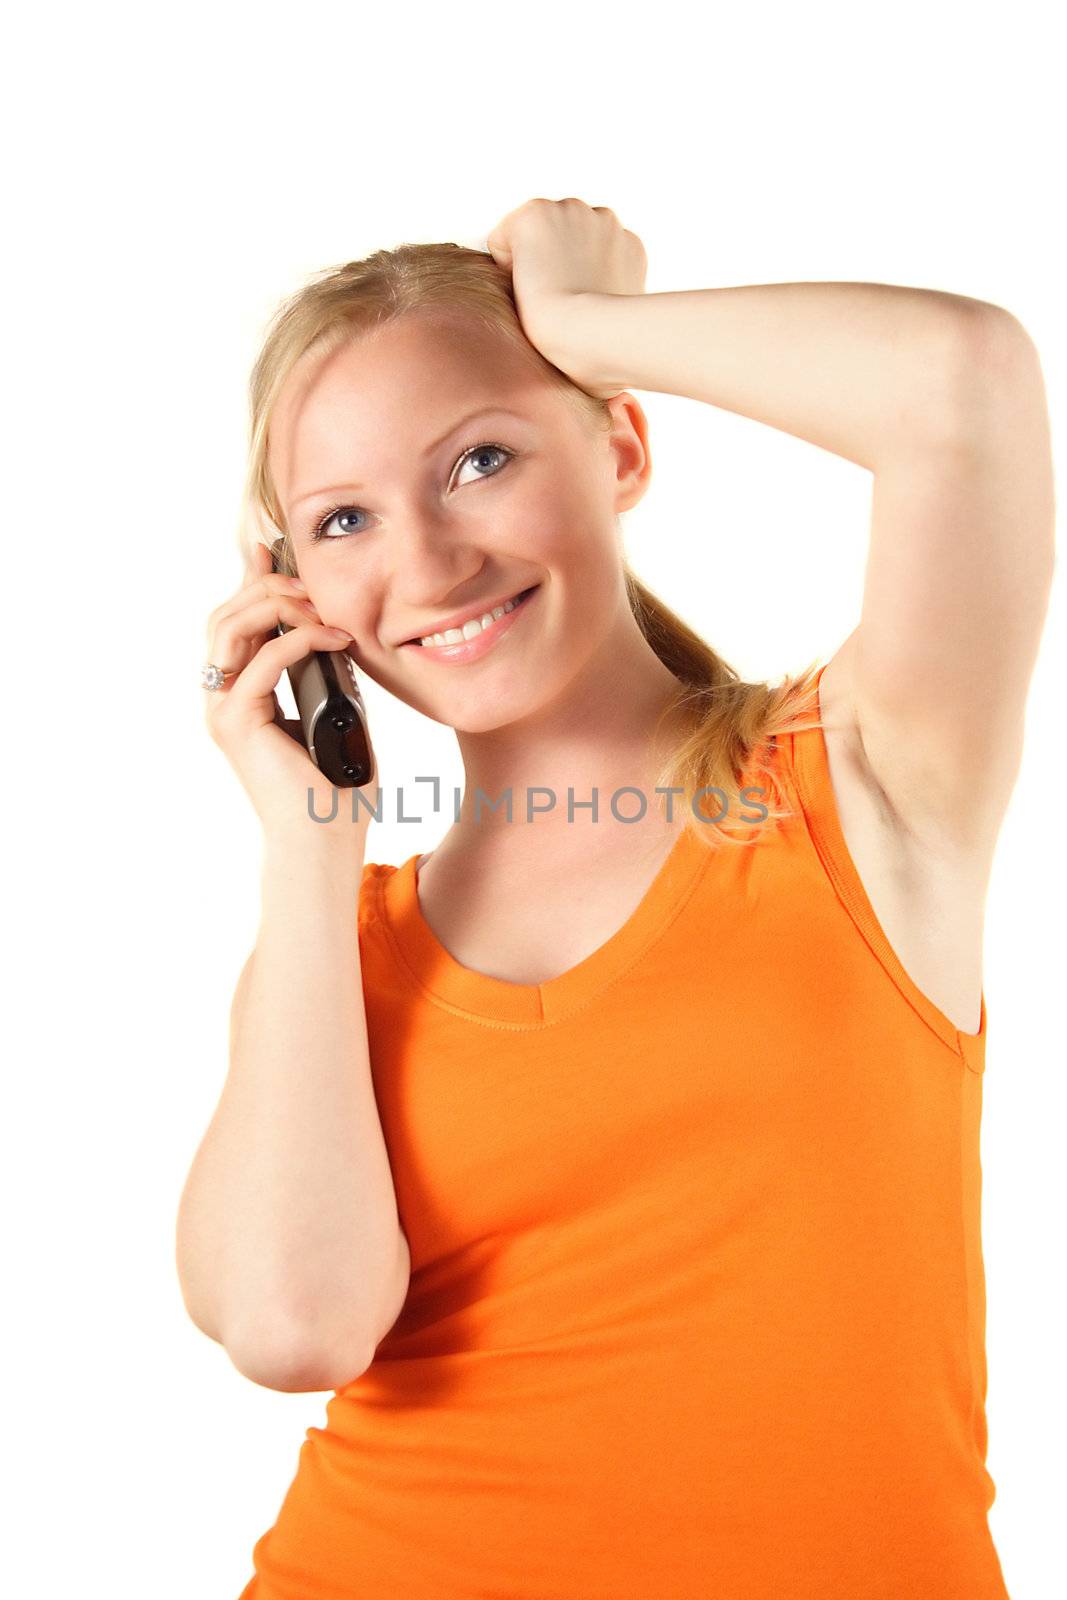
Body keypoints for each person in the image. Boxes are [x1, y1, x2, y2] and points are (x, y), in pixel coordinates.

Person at [178, 199, 1053, 1598]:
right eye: (344, 519)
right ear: (302, 600)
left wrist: (587, 331)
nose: (428, 560)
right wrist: (307, 840)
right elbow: (293, 1329)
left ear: (622, 445)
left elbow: (968, 385)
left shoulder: (859, 786)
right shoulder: (336, 944)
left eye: (480, 458)